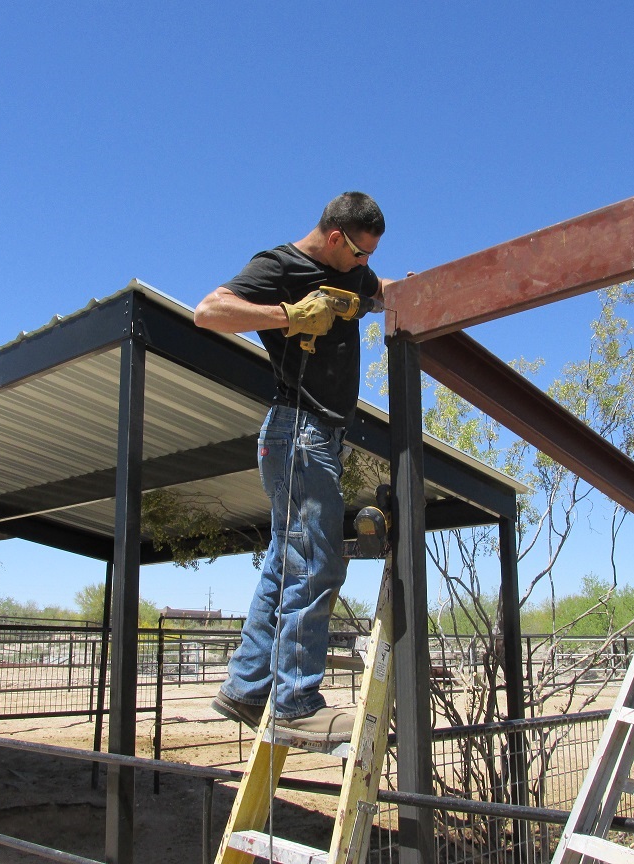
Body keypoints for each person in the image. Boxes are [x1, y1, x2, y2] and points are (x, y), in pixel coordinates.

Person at [193, 191, 396, 745]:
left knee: (287, 560)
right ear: (335, 237)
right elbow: (208, 312)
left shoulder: (355, 274)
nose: (365, 266)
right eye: (358, 253)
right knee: (316, 562)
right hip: (297, 430)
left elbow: (388, 293)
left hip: (320, 432)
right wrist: (289, 314)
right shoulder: (280, 266)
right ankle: (295, 702)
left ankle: (245, 686)